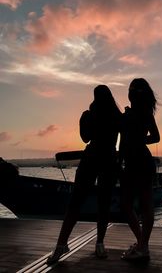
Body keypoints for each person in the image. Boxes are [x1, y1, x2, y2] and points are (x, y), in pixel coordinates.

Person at [47, 85, 121, 264]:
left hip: (92, 157)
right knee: (103, 203)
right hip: (109, 159)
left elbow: (85, 138)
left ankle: (61, 245)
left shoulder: (89, 114)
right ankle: (99, 243)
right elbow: (120, 141)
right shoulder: (117, 116)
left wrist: (87, 118)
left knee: (76, 202)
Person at [119, 78, 160, 261]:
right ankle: (143, 245)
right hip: (143, 161)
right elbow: (156, 137)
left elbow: (123, 143)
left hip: (134, 164)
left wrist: (120, 161)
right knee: (145, 205)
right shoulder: (146, 114)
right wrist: (141, 140)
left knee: (128, 205)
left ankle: (142, 246)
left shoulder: (127, 116)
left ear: (131, 95)